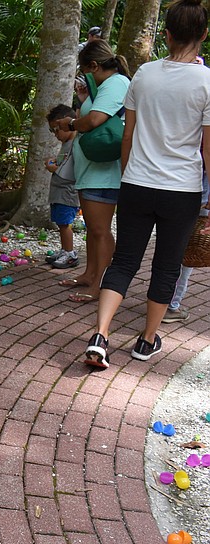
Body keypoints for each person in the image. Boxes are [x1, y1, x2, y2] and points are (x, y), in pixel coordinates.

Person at [83, 0, 210, 369]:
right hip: (182, 189)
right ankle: (147, 340)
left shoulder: (144, 74)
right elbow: (207, 149)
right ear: (204, 35)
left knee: (125, 260)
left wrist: (129, 174)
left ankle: (100, 335)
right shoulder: (207, 82)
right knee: (167, 266)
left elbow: (128, 136)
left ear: (166, 35)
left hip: (137, 183)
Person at [55, 40, 132, 302]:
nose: (85, 76)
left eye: (85, 70)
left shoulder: (116, 83)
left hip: (104, 173)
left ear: (94, 66)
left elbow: (95, 120)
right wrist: (83, 101)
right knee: (93, 228)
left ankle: (100, 284)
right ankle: (89, 274)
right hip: (91, 170)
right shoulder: (103, 87)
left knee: (100, 230)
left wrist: (71, 123)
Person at [163, 170, 210, 322]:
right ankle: (170, 305)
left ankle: (160, 299)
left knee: (168, 251)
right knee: (188, 256)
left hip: (173, 192)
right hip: (198, 199)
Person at [45, 104, 81, 269]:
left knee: (65, 224)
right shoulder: (66, 143)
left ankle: (70, 254)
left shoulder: (75, 143)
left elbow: (69, 169)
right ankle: (65, 250)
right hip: (59, 191)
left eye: (57, 129)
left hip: (67, 192)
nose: (56, 134)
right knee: (61, 223)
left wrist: (53, 167)